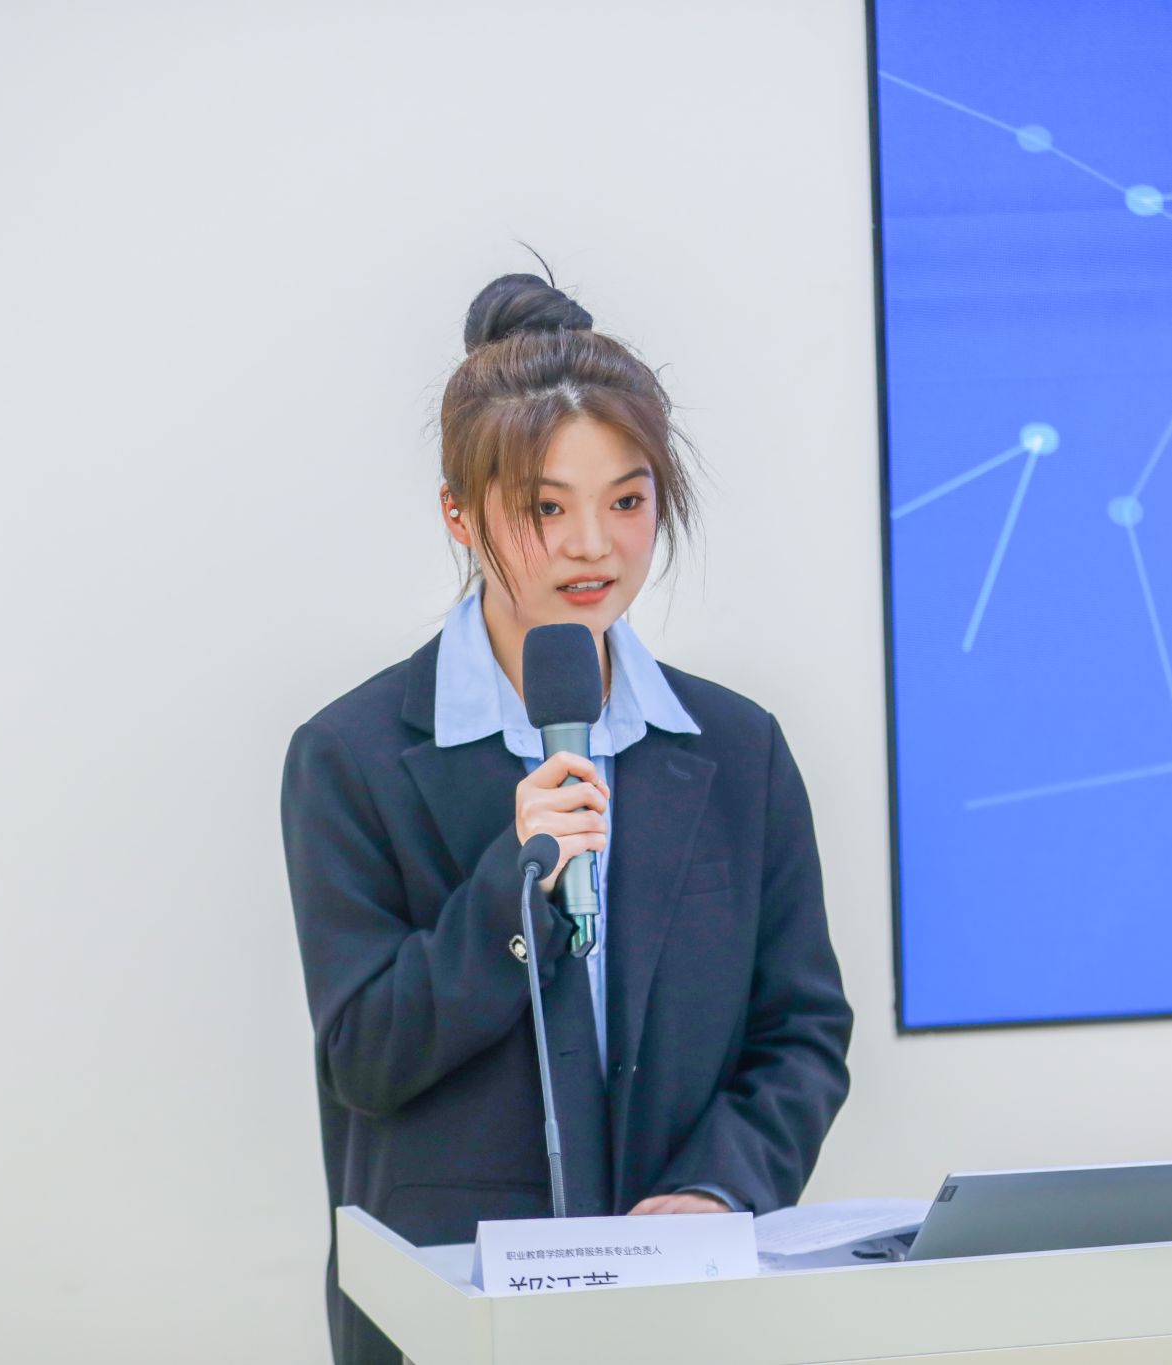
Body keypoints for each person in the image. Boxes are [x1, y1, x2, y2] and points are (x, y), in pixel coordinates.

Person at [281, 265, 852, 1364]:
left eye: (627, 501)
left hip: (680, 1313)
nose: (594, 545)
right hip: (454, 1320)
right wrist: (518, 880)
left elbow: (800, 1033)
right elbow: (364, 1056)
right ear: (458, 513)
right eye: (547, 508)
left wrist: (715, 1189)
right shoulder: (350, 756)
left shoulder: (736, 751)